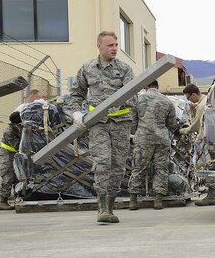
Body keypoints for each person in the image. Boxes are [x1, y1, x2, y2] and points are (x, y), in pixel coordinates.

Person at [69, 31, 136, 224]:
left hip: (121, 124)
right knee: (103, 163)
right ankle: (102, 209)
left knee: (117, 167)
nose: (115, 48)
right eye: (110, 45)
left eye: (116, 45)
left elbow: (133, 96)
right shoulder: (87, 68)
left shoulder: (124, 69)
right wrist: (76, 113)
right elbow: (76, 94)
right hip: (98, 125)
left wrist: (117, 104)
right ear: (99, 46)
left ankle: (111, 205)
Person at [129, 80, 178, 210]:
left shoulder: (138, 99)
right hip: (161, 139)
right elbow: (172, 124)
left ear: (146, 86)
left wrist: (137, 133)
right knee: (161, 169)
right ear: (158, 86)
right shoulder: (167, 101)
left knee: (138, 167)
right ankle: (158, 200)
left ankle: (133, 200)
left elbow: (132, 121)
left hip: (143, 138)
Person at [180, 83, 215, 206]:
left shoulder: (202, 105)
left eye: (188, 98)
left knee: (208, 167)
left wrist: (184, 130)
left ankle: (211, 197)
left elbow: (197, 125)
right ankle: (214, 196)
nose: (189, 100)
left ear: (193, 94)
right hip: (214, 139)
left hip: (206, 140)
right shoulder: (207, 101)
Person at [0, 111, 23, 210]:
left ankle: (18, 199)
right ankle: (3, 202)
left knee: (17, 177)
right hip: (6, 156)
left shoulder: (17, 128)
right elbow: (17, 145)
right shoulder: (9, 130)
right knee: (8, 178)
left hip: (14, 156)